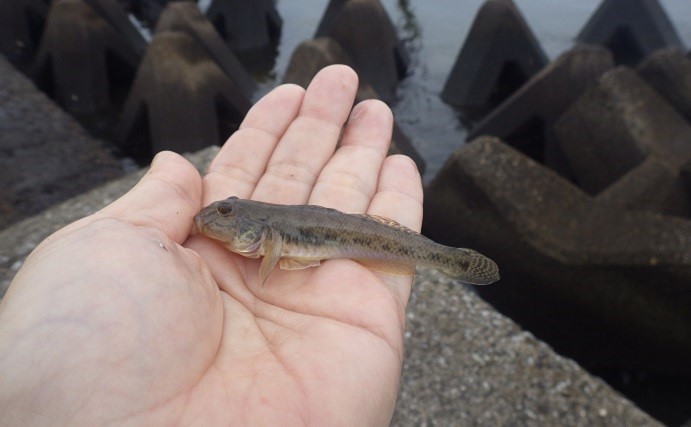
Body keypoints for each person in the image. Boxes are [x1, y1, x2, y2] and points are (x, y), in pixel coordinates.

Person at [0, 65, 423, 425]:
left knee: (395, 246)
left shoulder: (267, 235)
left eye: (227, 215)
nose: (214, 220)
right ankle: (435, 256)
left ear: (257, 231)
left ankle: (439, 257)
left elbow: (274, 253)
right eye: (224, 213)